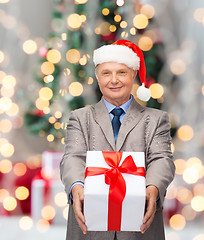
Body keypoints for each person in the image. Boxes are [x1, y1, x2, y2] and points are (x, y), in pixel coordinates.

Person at [60, 39, 175, 240]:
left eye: (121, 72)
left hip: (139, 227)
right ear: (97, 77)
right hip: (90, 225)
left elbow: (162, 159)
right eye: (106, 73)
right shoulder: (79, 118)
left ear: (133, 75)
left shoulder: (156, 119)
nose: (114, 80)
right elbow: (72, 157)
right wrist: (76, 186)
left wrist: (153, 187)